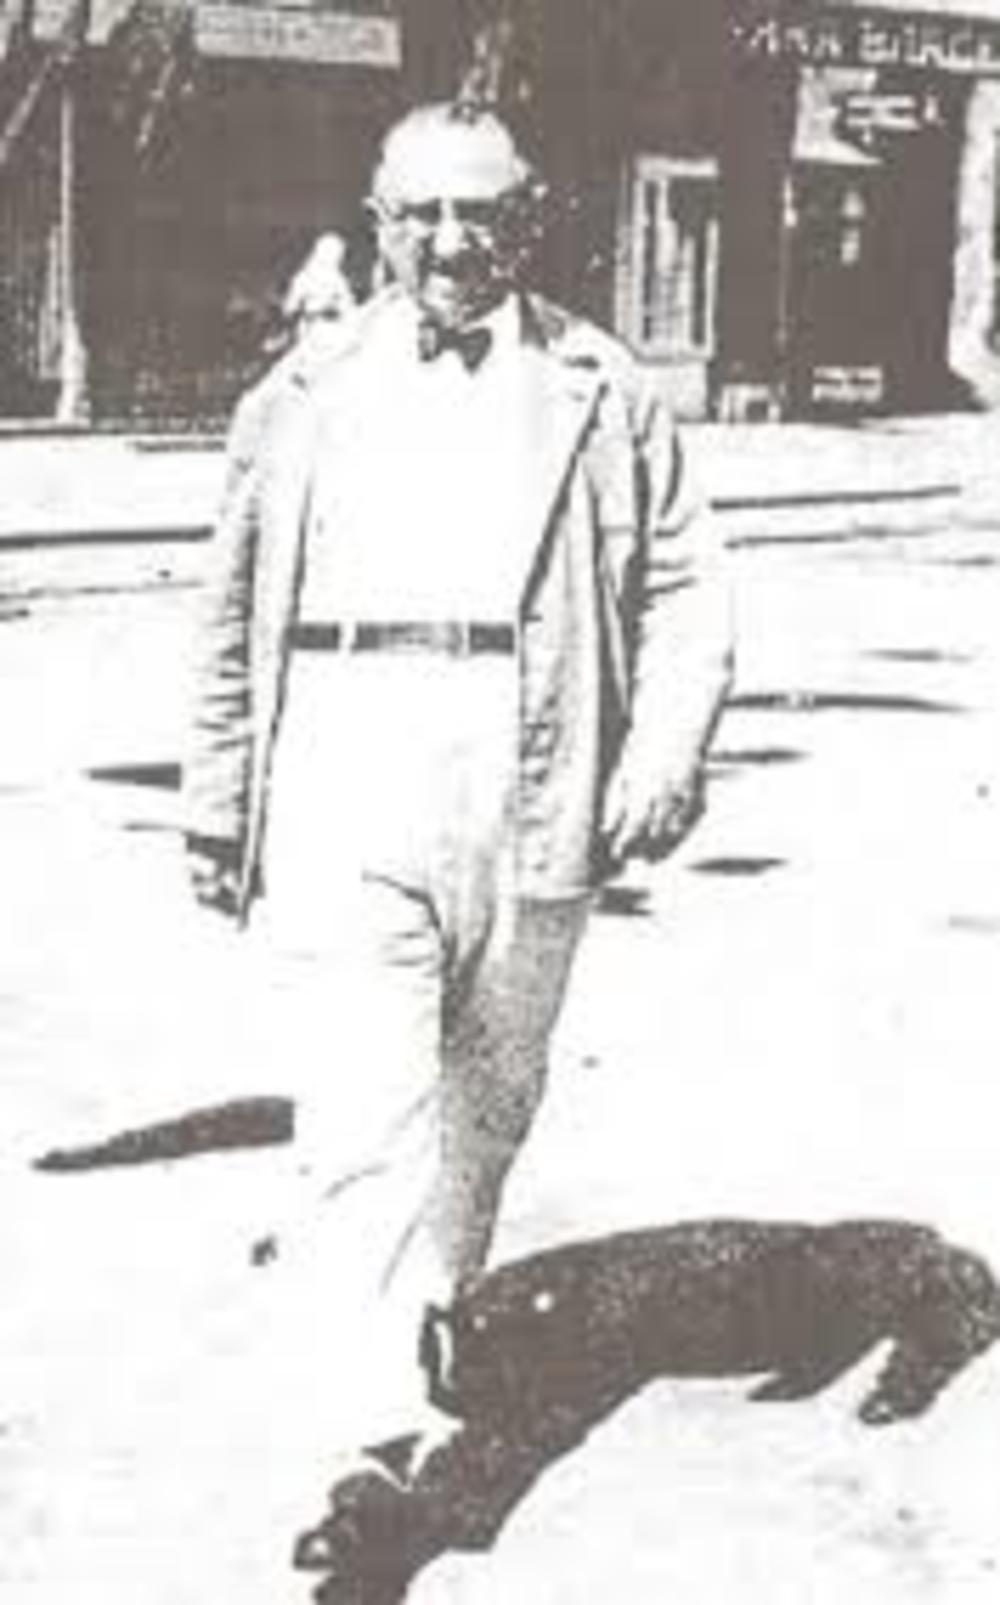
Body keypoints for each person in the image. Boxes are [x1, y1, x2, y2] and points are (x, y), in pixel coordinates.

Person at [184, 99, 732, 1576]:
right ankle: (367, 1450)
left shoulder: (601, 387)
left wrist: (666, 747)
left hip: (530, 755)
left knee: (489, 1094)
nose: (450, 240)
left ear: (527, 222)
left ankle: (431, 1301)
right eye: (421, 212)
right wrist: (217, 793)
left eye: (480, 212)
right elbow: (231, 605)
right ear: (378, 223)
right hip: (345, 745)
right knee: (359, 1114)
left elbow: (687, 585)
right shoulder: (304, 387)